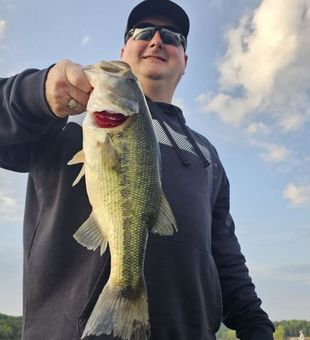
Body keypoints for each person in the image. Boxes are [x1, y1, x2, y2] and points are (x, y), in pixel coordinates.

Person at [0, 0, 275, 339]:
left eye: (173, 37)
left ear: (185, 62)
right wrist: (35, 93)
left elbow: (226, 259)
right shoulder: (65, 117)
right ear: (123, 49)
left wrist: (257, 328)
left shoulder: (206, 155)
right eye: (143, 32)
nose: (157, 41)